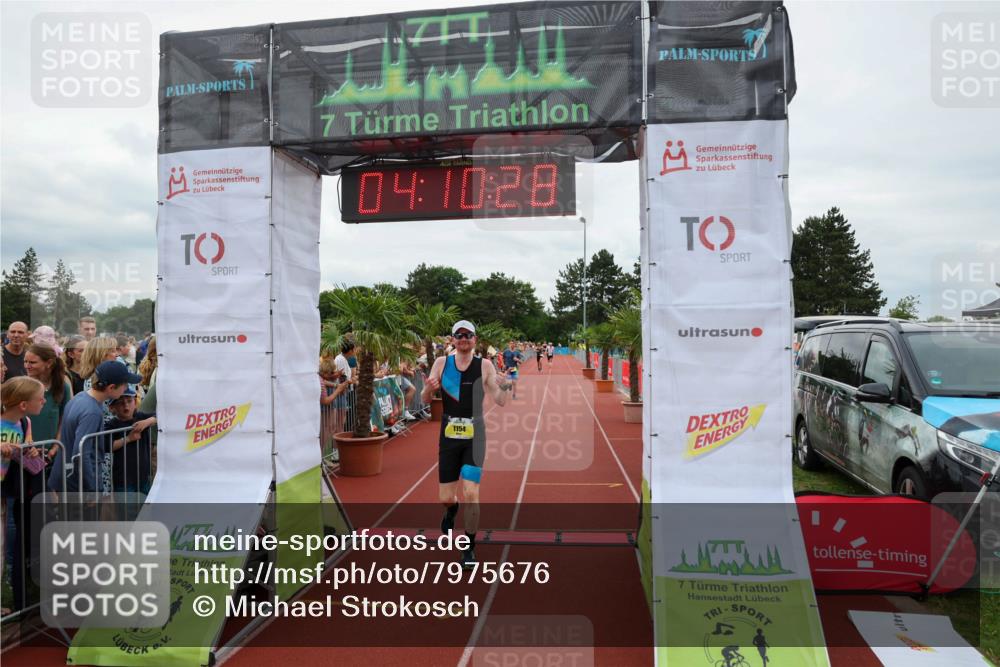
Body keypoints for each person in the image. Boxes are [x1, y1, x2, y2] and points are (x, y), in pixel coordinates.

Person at [422, 320, 509, 569]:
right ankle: (451, 510)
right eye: (458, 335)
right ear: (452, 339)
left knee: (472, 493)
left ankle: (468, 547)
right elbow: (424, 398)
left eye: (468, 335)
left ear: (474, 339)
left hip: (475, 435)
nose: (463, 338)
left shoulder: (485, 365)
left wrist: (506, 385)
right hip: (449, 436)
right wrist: (428, 390)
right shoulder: (441, 363)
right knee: (446, 497)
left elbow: (500, 400)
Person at [48, 361, 141, 494]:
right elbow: (81, 453)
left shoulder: (80, 397)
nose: (126, 388)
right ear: (111, 387)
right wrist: (92, 488)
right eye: (124, 384)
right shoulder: (92, 412)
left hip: (67, 479)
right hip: (78, 486)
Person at [1, 376, 46, 613]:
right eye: (40, 398)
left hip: (10, 490)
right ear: (23, 404)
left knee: (7, 544)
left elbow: (28, 449)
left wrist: (32, 451)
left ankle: (11, 594)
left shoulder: (25, 422)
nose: (44, 402)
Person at [105, 385, 156, 495]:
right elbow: (106, 446)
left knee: (146, 508)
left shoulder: (141, 417)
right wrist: (128, 439)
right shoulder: (112, 424)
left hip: (143, 477)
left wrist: (147, 422)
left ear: (135, 401)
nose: (126, 406)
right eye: (120, 403)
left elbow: (159, 416)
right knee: (126, 510)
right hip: (123, 479)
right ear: (112, 407)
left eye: (129, 401)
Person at [23, 344, 70, 460]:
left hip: (50, 452)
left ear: (48, 363)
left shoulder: (62, 387)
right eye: (25, 361)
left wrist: (55, 446)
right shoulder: (22, 386)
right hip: (24, 450)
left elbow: (64, 419)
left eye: (32, 362)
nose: (27, 366)